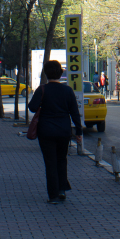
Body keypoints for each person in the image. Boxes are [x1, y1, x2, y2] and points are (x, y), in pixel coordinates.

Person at [28, 60, 84, 204]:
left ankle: (52, 196)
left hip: (46, 131)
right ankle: (61, 190)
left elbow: (32, 108)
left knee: (50, 163)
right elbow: (74, 112)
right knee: (61, 160)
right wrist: (78, 131)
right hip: (64, 131)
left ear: (46, 74)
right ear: (60, 73)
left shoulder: (42, 89)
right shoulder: (67, 90)